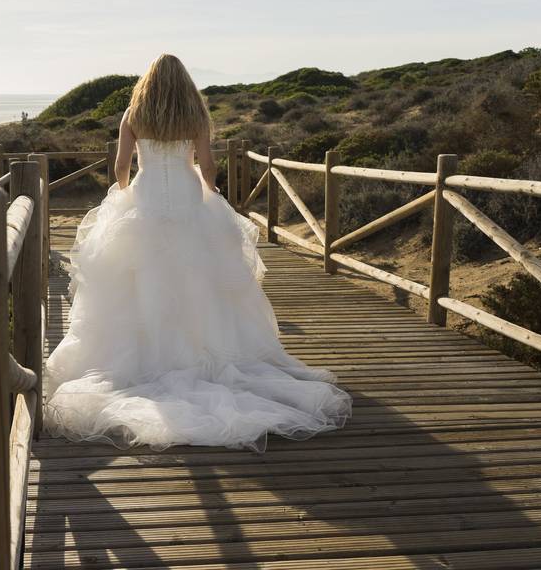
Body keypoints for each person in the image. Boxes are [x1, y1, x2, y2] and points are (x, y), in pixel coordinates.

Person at [43, 54, 352, 452]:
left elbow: (120, 167)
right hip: (189, 198)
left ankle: (150, 350)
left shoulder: (134, 114)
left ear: (148, 84)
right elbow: (207, 166)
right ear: (184, 82)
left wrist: (122, 194)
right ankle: (201, 347)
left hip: (147, 194)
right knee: (200, 275)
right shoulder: (195, 114)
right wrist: (213, 191)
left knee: (141, 274)